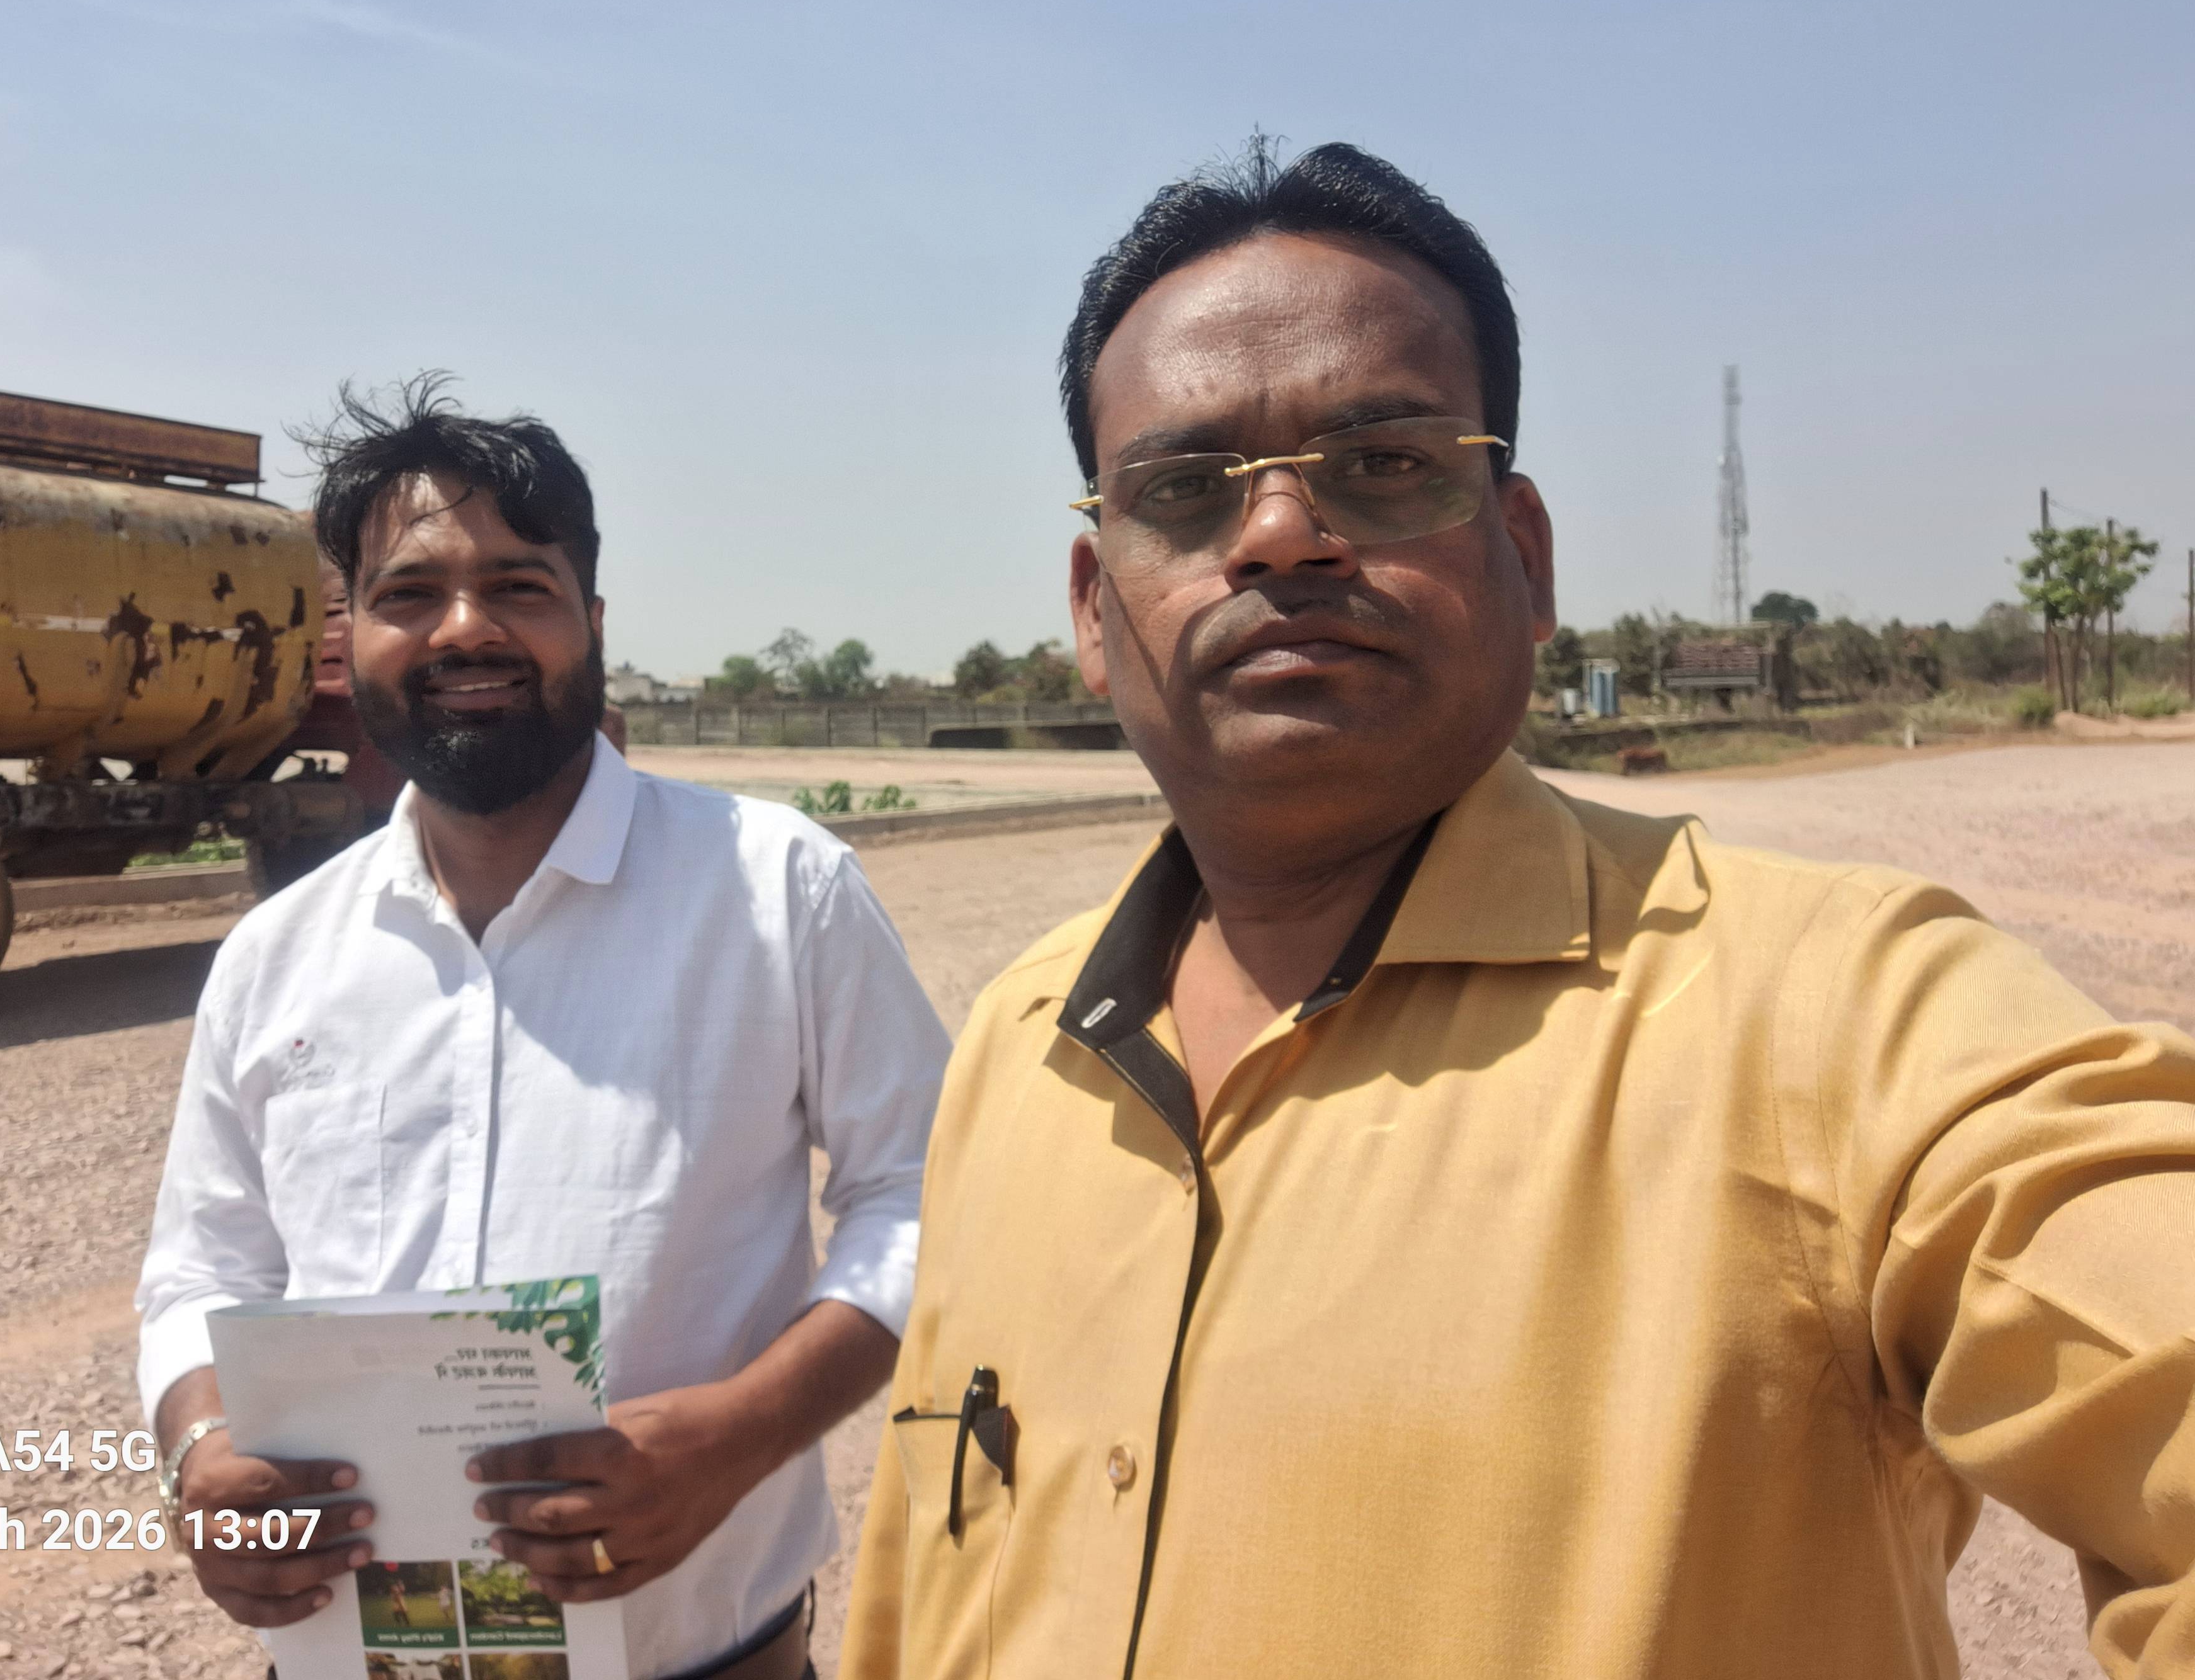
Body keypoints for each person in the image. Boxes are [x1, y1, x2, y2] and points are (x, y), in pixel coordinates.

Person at [840, 140, 2195, 1679]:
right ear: (1097, 609)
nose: (1279, 533)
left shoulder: (1837, 1017)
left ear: (1524, 559)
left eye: (1381, 464)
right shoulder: (1017, 1049)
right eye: (1183, 490)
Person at [135, 378, 949, 1680]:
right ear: (350, 634)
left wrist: (739, 1435)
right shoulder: (276, 956)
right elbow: (202, 1271)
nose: (466, 627)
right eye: (409, 593)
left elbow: (920, 1196)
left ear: (593, 623)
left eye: (518, 585)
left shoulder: (776, 889)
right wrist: (199, 1450)